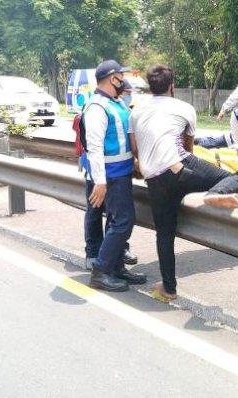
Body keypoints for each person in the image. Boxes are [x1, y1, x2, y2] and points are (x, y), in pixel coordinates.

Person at [129, 64, 238, 302]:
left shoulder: (136, 111)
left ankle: (169, 289)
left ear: (150, 86)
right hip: (179, 167)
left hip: (154, 179)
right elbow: (188, 148)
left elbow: (135, 150)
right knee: (230, 178)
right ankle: (212, 194)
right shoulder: (184, 108)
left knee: (164, 232)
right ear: (172, 86)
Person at [80, 60, 146, 291]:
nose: (124, 80)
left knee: (116, 222)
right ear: (112, 79)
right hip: (109, 176)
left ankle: (116, 267)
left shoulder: (115, 102)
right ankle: (101, 271)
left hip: (121, 173)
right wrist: (100, 182)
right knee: (123, 221)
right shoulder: (98, 107)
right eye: (121, 76)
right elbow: (95, 148)